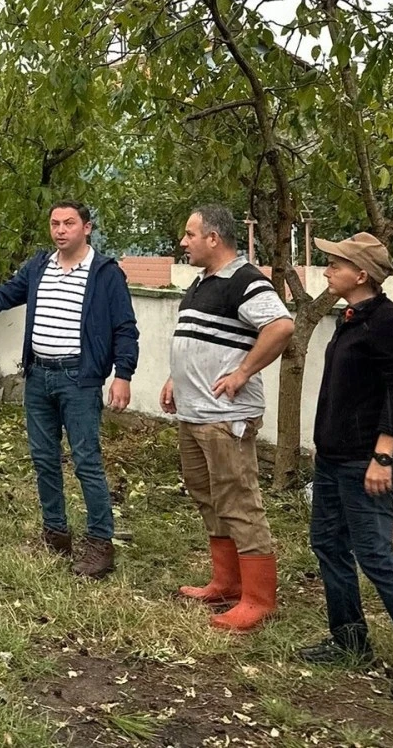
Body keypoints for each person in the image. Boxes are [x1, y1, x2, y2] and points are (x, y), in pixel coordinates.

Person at [0, 200, 139, 578]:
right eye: (54, 223)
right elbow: (1, 299)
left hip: (78, 380)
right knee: (44, 459)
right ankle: (55, 534)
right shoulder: (39, 266)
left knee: (86, 461)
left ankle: (100, 543)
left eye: (69, 223)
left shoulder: (105, 274)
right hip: (38, 378)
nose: (60, 230)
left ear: (87, 228)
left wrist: (123, 375)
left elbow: (125, 329)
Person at [298, 232, 393, 705]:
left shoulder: (388, 323)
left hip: (363, 462)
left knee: (376, 557)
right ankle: (349, 639)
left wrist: (383, 455)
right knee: (328, 543)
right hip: (333, 458)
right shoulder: (350, 318)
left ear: (361, 275)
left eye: (335, 264)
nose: (328, 270)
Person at [160, 205, 294, 632]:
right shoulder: (201, 283)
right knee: (209, 497)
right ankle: (226, 582)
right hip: (193, 412)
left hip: (226, 417)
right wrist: (173, 378)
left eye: (189, 233)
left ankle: (258, 598)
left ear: (213, 238)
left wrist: (243, 372)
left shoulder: (245, 280)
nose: (184, 242)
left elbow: (280, 327)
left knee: (239, 502)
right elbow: (199, 339)